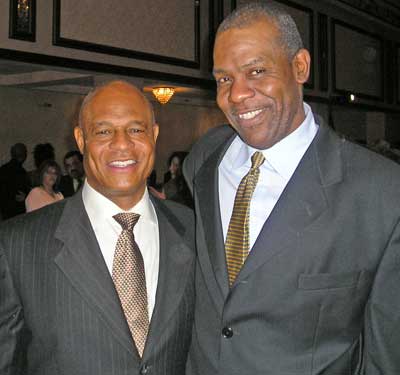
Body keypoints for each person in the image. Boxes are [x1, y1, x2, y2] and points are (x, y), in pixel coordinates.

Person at [183, 3, 400, 374]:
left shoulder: (381, 193)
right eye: (224, 79)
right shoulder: (204, 159)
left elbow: (385, 355)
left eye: (256, 71)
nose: (236, 95)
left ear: (300, 67)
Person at [0, 81, 195, 375]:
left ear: (154, 135)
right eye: (104, 131)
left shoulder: (193, 229)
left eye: (136, 129)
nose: (121, 144)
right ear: (81, 139)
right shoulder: (18, 245)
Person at [0, 143, 30, 220]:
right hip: (19, 213)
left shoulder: (2, 169)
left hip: (5, 213)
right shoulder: (22, 172)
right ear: (24, 156)